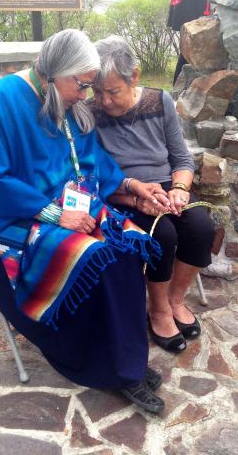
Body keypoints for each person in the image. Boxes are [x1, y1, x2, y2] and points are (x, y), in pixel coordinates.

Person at [0, 29, 169, 414]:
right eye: (81, 85)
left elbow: (90, 158)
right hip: (7, 218)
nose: (85, 95)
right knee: (91, 263)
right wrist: (54, 214)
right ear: (53, 74)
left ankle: (127, 361)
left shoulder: (64, 103)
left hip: (67, 205)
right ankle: (110, 370)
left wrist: (132, 187)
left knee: (126, 248)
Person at [90, 35, 215, 353]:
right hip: (122, 194)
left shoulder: (160, 102)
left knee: (201, 227)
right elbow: (93, 173)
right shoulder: (89, 114)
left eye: (113, 91)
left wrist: (181, 189)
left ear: (134, 76)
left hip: (167, 187)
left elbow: (182, 158)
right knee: (164, 234)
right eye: (97, 91)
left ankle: (175, 300)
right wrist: (132, 195)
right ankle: (157, 309)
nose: (104, 101)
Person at [167, 0, 223, 84]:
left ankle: (179, 89)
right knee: (187, 55)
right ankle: (178, 90)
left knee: (187, 54)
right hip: (192, 11)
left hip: (190, 9)